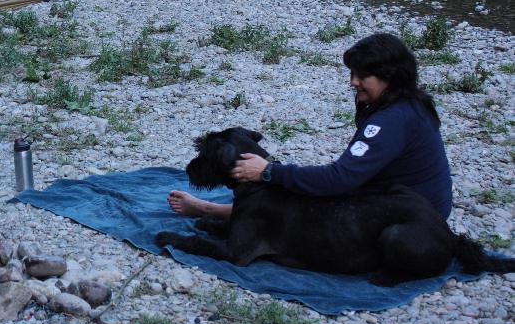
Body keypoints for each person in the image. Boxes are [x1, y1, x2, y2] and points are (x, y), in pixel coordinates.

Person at [168, 32, 453, 220]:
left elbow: (340, 178)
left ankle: (213, 211)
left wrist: (268, 172)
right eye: (352, 73)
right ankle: (219, 211)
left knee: (303, 212)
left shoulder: (391, 119)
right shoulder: (410, 104)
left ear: (389, 76)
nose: (353, 82)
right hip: (417, 207)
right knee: (302, 192)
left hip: (411, 217)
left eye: (362, 75)